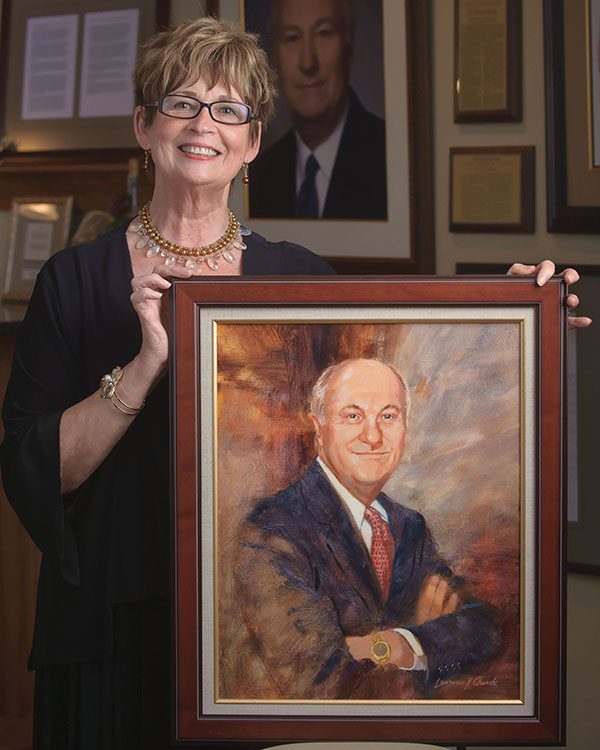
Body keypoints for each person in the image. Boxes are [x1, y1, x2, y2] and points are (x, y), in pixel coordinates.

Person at [0, 11, 590, 750]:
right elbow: (36, 472)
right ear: (146, 127)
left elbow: (388, 372)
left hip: (255, 650)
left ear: (250, 142)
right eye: (180, 103)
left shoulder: (298, 279)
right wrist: (146, 365)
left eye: (227, 109)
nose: (201, 123)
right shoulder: (74, 281)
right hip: (116, 630)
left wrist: (515, 320)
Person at [233, 358, 498, 700]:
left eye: (388, 416)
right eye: (352, 416)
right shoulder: (271, 529)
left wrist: (395, 644)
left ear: (405, 427)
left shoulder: (410, 526)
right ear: (319, 427)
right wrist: (427, 641)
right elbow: (320, 680)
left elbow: (484, 628)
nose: (373, 436)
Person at [248, 0, 388, 219]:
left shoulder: (388, 159)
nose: (308, 63)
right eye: (292, 38)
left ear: (348, 51)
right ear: (275, 59)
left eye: (323, 33)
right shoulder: (261, 175)